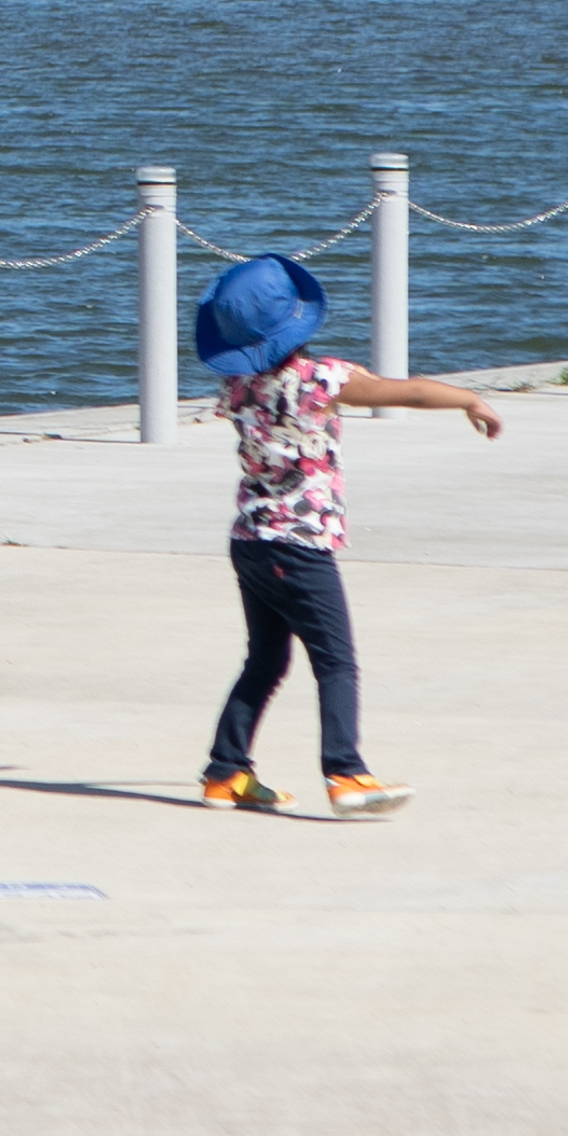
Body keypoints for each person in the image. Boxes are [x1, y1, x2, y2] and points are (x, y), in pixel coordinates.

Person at [192, 253, 501, 819]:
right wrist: (468, 399)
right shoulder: (321, 379)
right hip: (299, 545)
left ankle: (226, 772)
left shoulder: (237, 385)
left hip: (251, 539)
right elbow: (402, 392)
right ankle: (346, 773)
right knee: (336, 661)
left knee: (265, 660)